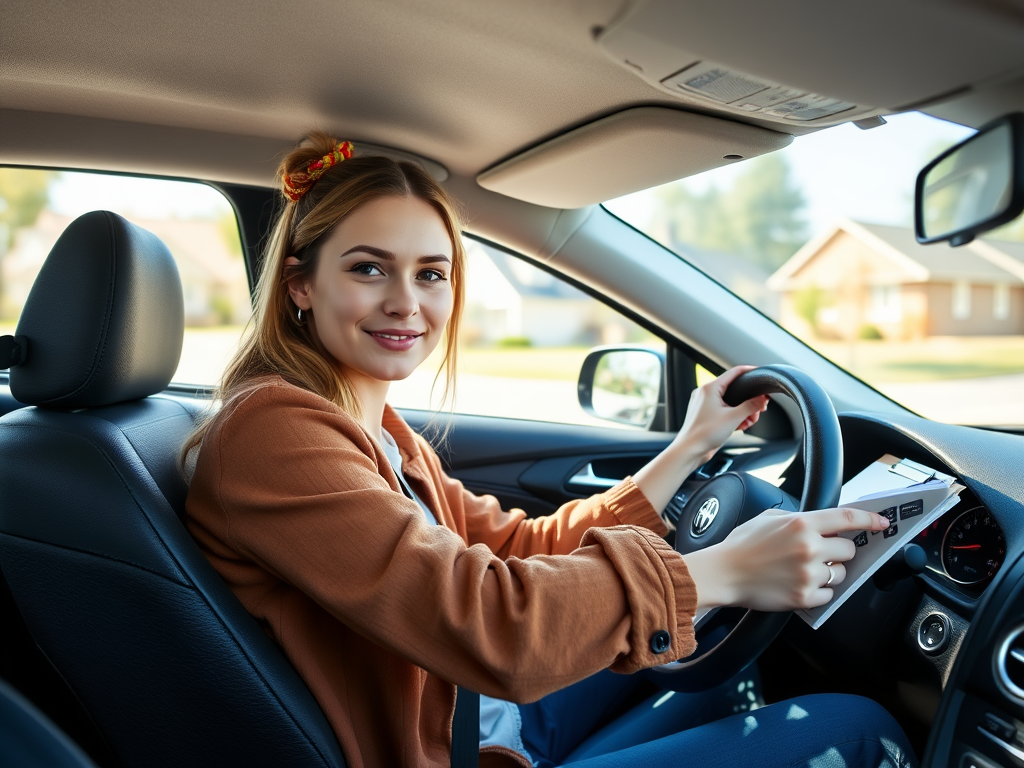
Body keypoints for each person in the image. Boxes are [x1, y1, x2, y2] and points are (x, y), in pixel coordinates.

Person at [183, 133, 916, 768]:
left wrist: (688, 449)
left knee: (727, 662)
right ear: (300, 284)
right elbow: (495, 625)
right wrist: (721, 571)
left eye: (431, 273)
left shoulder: (377, 428)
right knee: (859, 729)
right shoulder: (274, 433)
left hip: (481, 723)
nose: (408, 301)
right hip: (452, 743)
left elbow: (517, 547)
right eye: (369, 268)